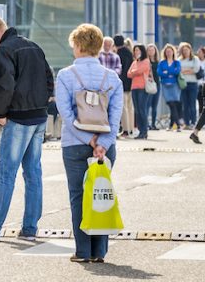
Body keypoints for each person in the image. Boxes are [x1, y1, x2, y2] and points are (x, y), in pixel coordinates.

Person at [0, 15, 54, 241]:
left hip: (17, 118)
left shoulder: (4, 50)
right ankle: (29, 228)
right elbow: (49, 78)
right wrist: (42, 104)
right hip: (38, 117)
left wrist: (1, 113)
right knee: (33, 172)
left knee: (6, 173)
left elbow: (4, 84)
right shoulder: (33, 46)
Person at [54, 23, 124, 263]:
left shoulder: (65, 75)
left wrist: (87, 139)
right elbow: (115, 117)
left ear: (79, 45)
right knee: (101, 193)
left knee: (78, 196)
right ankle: (100, 252)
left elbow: (65, 112)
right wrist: (102, 142)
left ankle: (82, 251)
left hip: (74, 144)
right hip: (106, 146)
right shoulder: (112, 77)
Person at [126, 44, 150, 140]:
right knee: (137, 110)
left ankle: (144, 131)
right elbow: (128, 74)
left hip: (142, 87)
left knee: (142, 109)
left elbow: (140, 71)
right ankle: (141, 130)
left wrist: (134, 72)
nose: (136, 52)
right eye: (135, 50)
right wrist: (135, 72)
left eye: (138, 50)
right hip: (134, 87)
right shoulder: (134, 62)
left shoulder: (146, 61)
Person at [113, 35, 135, 138]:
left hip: (122, 83)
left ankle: (125, 130)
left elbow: (121, 71)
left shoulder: (119, 54)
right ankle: (131, 129)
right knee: (130, 107)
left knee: (123, 107)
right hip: (131, 82)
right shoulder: (129, 52)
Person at [157, 45, 182, 131]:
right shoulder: (162, 63)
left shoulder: (176, 62)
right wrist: (169, 73)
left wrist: (167, 72)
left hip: (174, 85)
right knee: (170, 103)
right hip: (165, 85)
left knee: (174, 104)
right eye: (167, 51)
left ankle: (174, 125)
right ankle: (176, 124)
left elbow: (177, 71)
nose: (168, 53)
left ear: (173, 52)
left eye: (170, 51)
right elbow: (159, 72)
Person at [178, 42, 201, 130]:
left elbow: (195, 69)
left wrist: (185, 71)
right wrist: (189, 70)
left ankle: (193, 122)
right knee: (185, 104)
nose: (185, 52)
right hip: (183, 84)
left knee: (192, 103)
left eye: (187, 50)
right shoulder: (179, 59)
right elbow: (179, 70)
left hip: (193, 83)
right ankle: (186, 123)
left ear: (190, 50)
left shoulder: (195, 59)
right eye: (183, 50)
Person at [147, 44, 161, 129]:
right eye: (149, 50)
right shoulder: (146, 61)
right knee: (147, 105)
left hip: (157, 84)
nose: (151, 52)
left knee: (154, 106)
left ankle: (153, 124)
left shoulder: (158, 62)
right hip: (149, 84)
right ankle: (147, 124)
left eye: (152, 50)